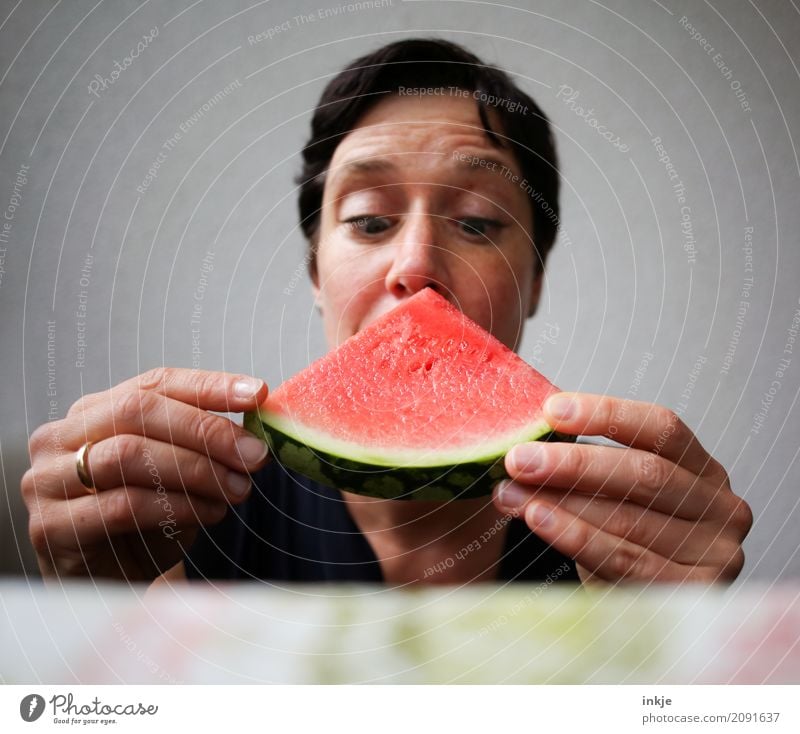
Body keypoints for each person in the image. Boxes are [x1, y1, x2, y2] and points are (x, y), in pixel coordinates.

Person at [22, 39, 752, 587]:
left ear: (534, 279)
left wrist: (680, 659)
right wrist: (86, 602)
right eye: (370, 220)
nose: (416, 267)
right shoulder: (195, 512)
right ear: (315, 273)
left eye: (476, 221)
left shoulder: (624, 535)